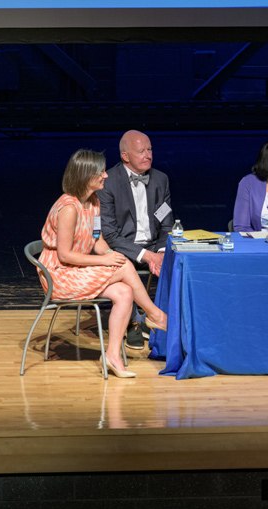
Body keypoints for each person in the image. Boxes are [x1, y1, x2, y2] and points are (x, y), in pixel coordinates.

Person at [39, 149, 168, 378]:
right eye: (100, 172)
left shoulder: (94, 201)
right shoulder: (68, 208)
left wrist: (110, 254)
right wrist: (106, 260)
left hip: (78, 269)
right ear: (86, 176)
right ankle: (156, 315)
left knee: (125, 292)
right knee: (124, 266)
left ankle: (112, 356)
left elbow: (97, 239)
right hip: (60, 275)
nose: (105, 176)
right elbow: (65, 255)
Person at [100, 130, 173, 350]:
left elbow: (167, 223)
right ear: (125, 156)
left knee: (180, 262)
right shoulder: (108, 182)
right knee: (122, 262)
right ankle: (133, 322)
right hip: (124, 247)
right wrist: (145, 255)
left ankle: (170, 319)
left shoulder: (161, 179)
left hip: (153, 246)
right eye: (141, 151)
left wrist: (159, 253)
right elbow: (110, 235)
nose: (148, 155)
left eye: (149, 149)